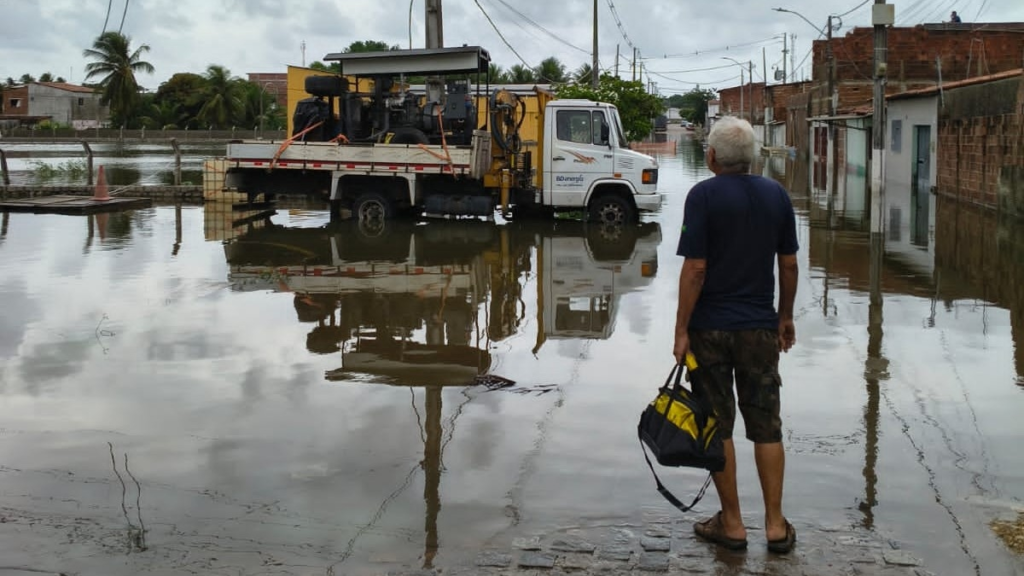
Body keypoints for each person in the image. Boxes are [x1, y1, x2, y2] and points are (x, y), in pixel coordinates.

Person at [673, 116, 799, 554]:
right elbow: (789, 264)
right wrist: (785, 317)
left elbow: (695, 269)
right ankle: (776, 526)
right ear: (753, 158)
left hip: (709, 329)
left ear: (711, 157)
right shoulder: (777, 195)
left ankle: (732, 524)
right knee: (766, 425)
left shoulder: (702, 196)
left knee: (717, 424)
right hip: (759, 329)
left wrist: (681, 329)